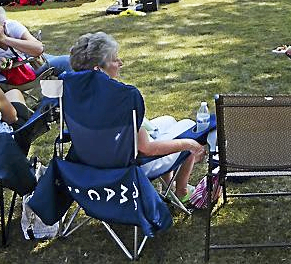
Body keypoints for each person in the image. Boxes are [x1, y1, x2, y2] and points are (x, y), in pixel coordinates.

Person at [68, 32, 205, 201]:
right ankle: (181, 191)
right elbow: (147, 149)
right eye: (114, 59)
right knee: (187, 125)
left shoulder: (74, 94)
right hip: (127, 168)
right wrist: (189, 143)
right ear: (98, 68)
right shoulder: (121, 98)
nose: (120, 63)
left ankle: (169, 186)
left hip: (92, 161)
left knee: (168, 121)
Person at [0, 4, 72, 79]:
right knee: (66, 61)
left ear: (2, 24)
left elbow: (38, 49)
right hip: (10, 75)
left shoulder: (11, 26)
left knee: (73, 61)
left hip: (27, 63)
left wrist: (4, 38)